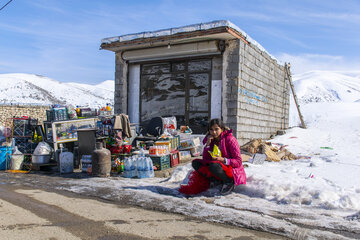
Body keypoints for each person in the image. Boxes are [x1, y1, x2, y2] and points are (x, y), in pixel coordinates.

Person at [191, 118, 246, 195]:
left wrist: (223, 159)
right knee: (196, 163)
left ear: (222, 129)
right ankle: (216, 180)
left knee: (214, 165)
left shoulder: (230, 139)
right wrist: (208, 144)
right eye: (211, 130)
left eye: (216, 129)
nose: (214, 132)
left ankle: (228, 182)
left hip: (231, 169)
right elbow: (206, 159)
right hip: (218, 167)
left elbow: (238, 162)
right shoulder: (211, 140)